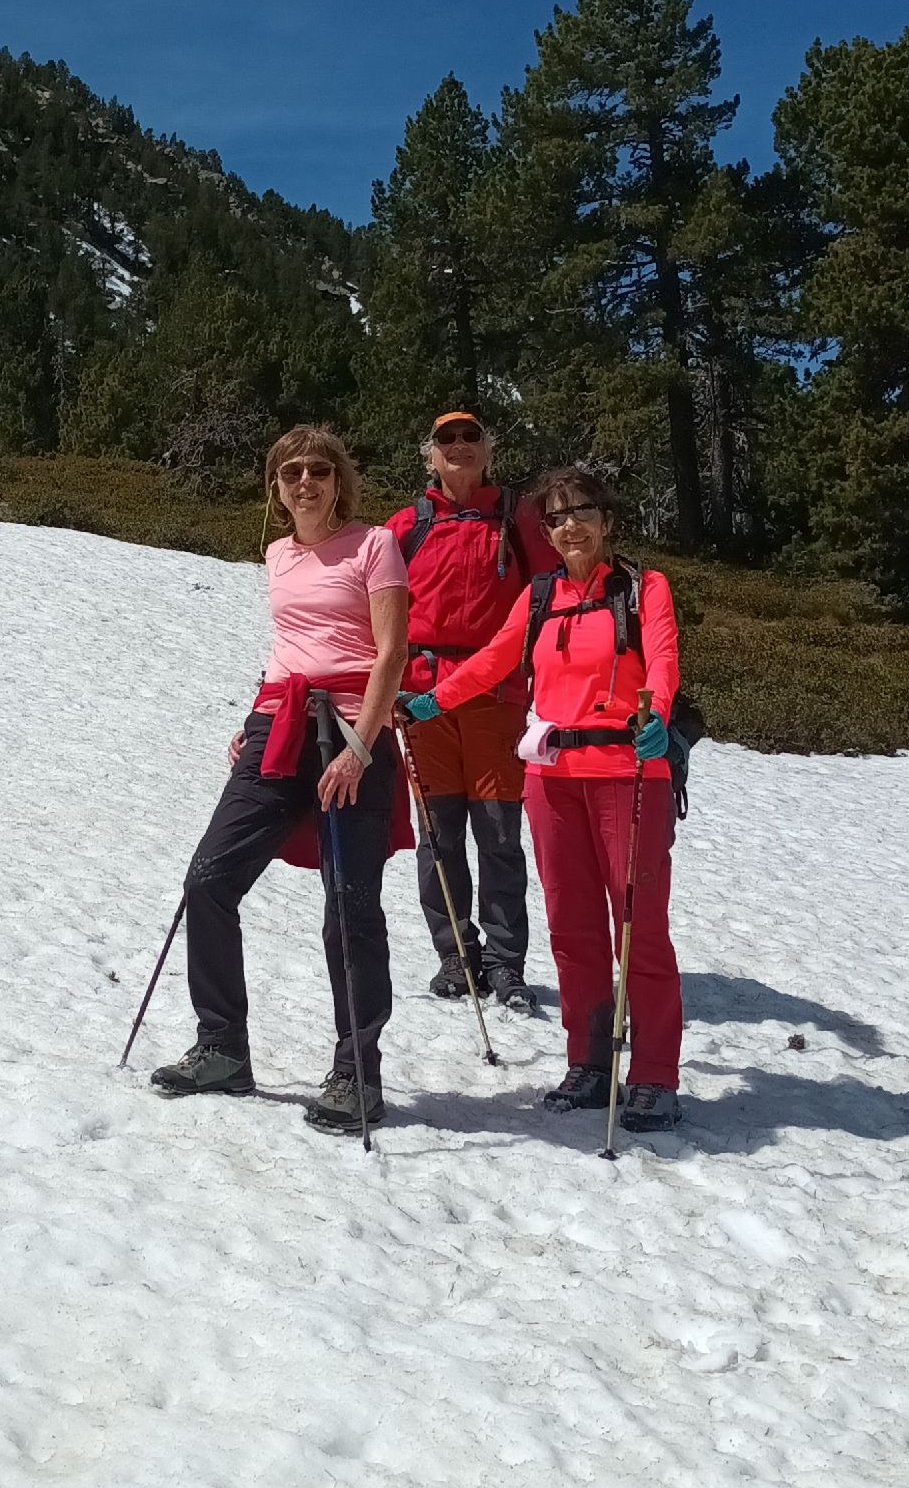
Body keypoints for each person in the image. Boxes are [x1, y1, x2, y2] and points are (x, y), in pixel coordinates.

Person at [403, 462, 684, 1131]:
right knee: (571, 926)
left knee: (638, 928)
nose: (569, 526)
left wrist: (658, 716)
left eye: (582, 511)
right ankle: (587, 1060)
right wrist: (432, 701)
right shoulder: (539, 597)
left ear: (606, 519)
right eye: (556, 518)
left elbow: (663, 661)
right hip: (552, 779)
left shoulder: (644, 588)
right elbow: (493, 661)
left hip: (628, 773)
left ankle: (654, 1074)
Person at [151, 424, 412, 1135]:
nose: (305, 482)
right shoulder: (277, 553)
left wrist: (360, 749)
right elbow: (288, 647)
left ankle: (358, 1073)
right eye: (291, 471)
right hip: (282, 726)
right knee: (209, 878)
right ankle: (222, 1047)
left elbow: (392, 652)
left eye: (318, 470)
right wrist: (256, 716)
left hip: (354, 730)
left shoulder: (374, 545)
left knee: (349, 904)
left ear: (338, 480)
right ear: (276, 485)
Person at [385, 411, 553, 1013]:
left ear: (488, 449)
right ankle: (456, 955)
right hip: (422, 700)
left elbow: (553, 598)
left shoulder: (519, 519)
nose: (459, 446)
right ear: (429, 455)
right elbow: (376, 611)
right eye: (446, 439)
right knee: (439, 835)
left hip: (495, 697)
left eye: (470, 436)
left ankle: (505, 963)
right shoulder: (406, 526)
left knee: (499, 834)